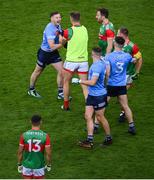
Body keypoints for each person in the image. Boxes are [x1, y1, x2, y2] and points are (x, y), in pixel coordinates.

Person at [78, 47, 112, 149]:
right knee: (88, 116)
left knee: (100, 117)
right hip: (92, 95)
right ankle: (89, 140)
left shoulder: (97, 66)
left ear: (93, 55)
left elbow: (92, 82)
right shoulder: (102, 62)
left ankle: (109, 138)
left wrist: (80, 81)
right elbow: (107, 75)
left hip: (98, 96)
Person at [28, 12, 65, 99]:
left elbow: (59, 35)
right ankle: (31, 90)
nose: (59, 19)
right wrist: (63, 43)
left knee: (62, 71)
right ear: (51, 18)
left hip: (53, 53)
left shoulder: (57, 26)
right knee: (38, 71)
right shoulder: (49, 28)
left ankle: (60, 93)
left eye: (60, 17)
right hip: (45, 54)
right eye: (56, 17)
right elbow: (52, 46)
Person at [106, 36, 136, 135]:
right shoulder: (127, 56)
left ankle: (96, 126)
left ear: (114, 44)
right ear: (123, 45)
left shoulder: (109, 56)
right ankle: (132, 126)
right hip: (122, 85)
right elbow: (134, 60)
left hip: (111, 84)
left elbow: (108, 72)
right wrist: (135, 58)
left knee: (102, 106)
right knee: (125, 106)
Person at [61, 12, 89, 110]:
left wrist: (61, 38)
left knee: (66, 82)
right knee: (84, 85)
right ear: (79, 18)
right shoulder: (85, 29)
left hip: (71, 61)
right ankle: (89, 107)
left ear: (71, 19)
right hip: (83, 61)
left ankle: (66, 105)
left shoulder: (68, 31)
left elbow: (62, 42)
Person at [94, 8, 115, 131]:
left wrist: (105, 60)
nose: (96, 17)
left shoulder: (108, 27)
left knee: (106, 89)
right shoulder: (103, 24)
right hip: (102, 57)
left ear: (103, 16)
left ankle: (97, 121)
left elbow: (110, 45)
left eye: (97, 15)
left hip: (106, 59)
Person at [117, 27, 143, 121]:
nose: (116, 35)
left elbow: (139, 59)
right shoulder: (117, 44)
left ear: (122, 34)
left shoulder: (132, 46)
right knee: (120, 95)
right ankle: (124, 112)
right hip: (119, 73)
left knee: (121, 94)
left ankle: (124, 113)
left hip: (128, 74)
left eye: (118, 33)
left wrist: (137, 72)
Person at [17, 115, 51, 179]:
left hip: (27, 166)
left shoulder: (24, 135)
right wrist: (49, 164)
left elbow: (20, 151)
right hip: (39, 166)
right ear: (41, 122)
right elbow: (48, 153)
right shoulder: (45, 136)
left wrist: (19, 164)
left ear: (30, 122)